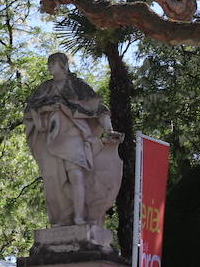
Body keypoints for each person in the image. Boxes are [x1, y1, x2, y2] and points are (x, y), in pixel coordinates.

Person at [23, 52, 124, 227]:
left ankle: (79, 217)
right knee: (53, 182)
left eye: (53, 63)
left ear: (63, 65)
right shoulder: (45, 88)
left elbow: (99, 109)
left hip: (72, 136)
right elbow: (30, 110)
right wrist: (46, 109)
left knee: (76, 175)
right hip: (51, 140)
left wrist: (109, 130)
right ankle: (62, 219)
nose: (49, 66)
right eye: (49, 63)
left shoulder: (77, 85)